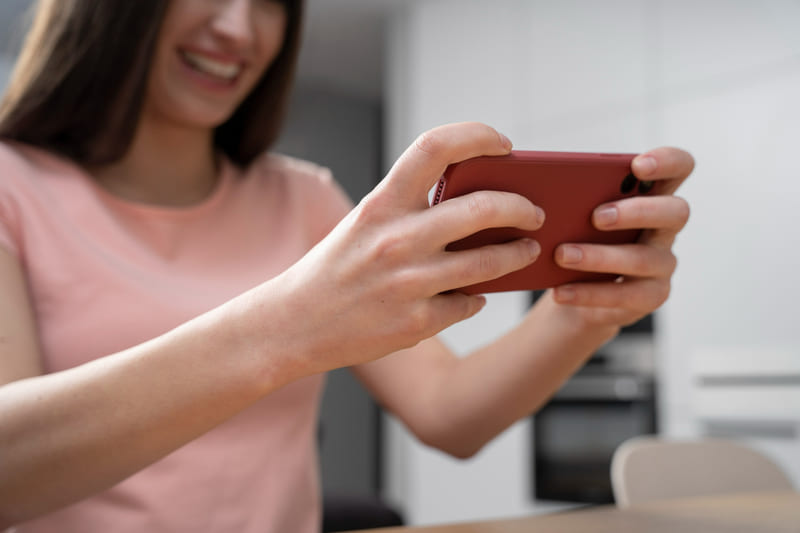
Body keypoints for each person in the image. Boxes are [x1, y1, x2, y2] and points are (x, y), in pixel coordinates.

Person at [0, 0, 693, 532]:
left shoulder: (302, 197)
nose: (242, 29)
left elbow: (449, 414)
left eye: (271, 1)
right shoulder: (11, 186)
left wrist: (587, 310)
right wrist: (287, 328)